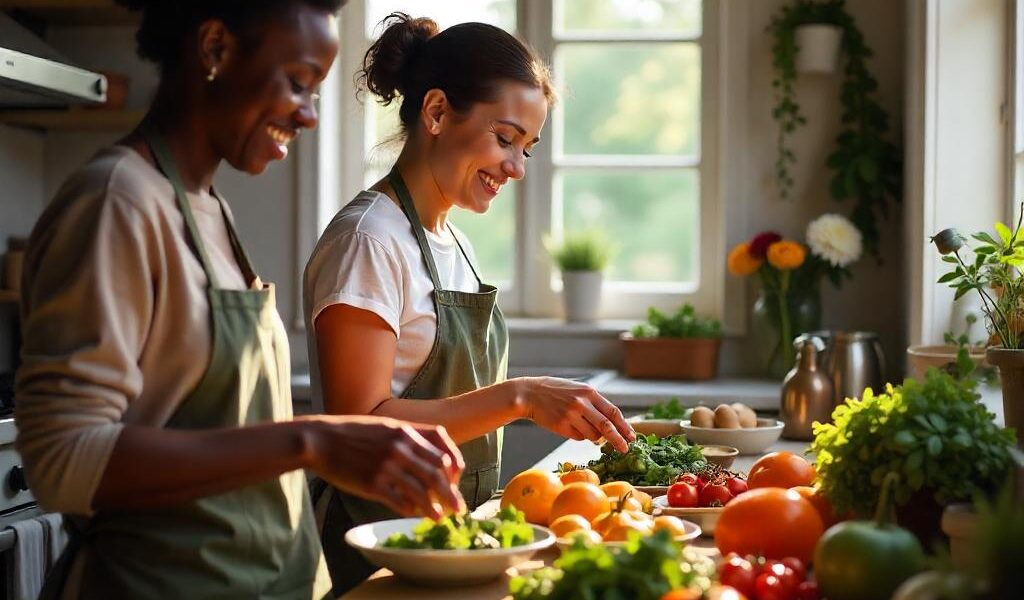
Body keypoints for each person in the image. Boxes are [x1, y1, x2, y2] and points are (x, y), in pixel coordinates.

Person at [14, 2, 465, 598]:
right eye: (298, 83)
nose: (308, 116)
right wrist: (313, 441)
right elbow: (64, 461)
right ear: (215, 49)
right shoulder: (118, 201)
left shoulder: (209, 209)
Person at [304, 12, 636, 593]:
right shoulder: (369, 240)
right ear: (435, 112)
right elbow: (359, 423)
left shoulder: (451, 238)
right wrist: (523, 396)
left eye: (527, 149)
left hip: (450, 540)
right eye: (504, 138)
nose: (516, 167)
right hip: (379, 550)